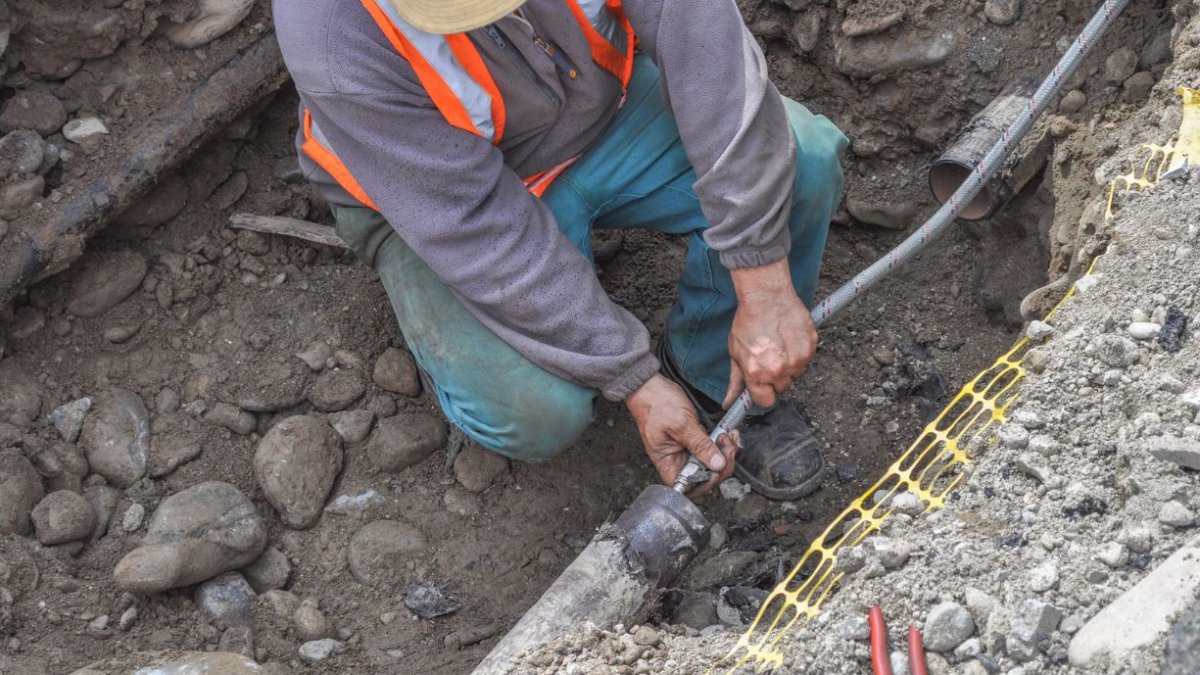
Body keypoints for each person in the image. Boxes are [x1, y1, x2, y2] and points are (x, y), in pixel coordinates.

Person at [272, 0, 847, 499]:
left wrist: (763, 276)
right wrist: (631, 376)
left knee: (804, 162)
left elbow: (708, 56)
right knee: (535, 413)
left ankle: (705, 371)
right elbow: (477, 231)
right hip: (428, 198)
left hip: (601, 113)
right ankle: (450, 330)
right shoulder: (330, 33)